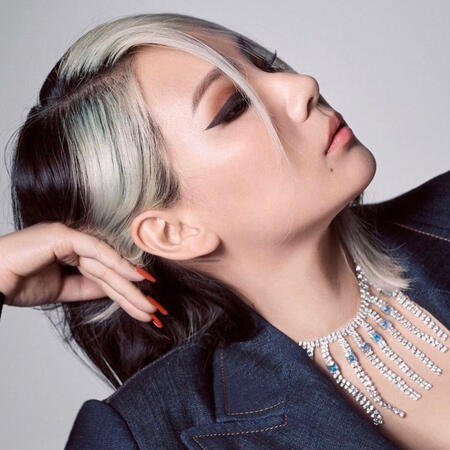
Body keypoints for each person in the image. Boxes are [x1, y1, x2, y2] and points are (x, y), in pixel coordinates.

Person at [1, 12, 448, 449]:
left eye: (265, 64)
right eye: (233, 106)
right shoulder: (151, 436)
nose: (302, 85)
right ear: (173, 232)